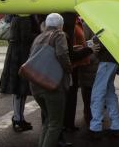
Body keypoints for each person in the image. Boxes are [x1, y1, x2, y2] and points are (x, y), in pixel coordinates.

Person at [29, 13, 72, 147]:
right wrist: (69, 69)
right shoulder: (59, 35)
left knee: (48, 121)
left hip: (36, 85)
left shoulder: (38, 37)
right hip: (52, 85)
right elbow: (62, 54)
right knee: (55, 124)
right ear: (61, 25)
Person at [0, 14, 40, 132]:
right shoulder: (24, 17)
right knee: (19, 90)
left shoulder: (15, 16)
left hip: (15, 54)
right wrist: (41, 34)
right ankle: (18, 118)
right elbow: (26, 37)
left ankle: (19, 117)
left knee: (19, 90)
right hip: (21, 55)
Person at [89, 34, 119, 139]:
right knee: (109, 94)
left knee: (97, 94)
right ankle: (117, 126)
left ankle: (96, 127)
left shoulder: (106, 25)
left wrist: (93, 39)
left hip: (106, 61)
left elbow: (99, 39)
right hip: (113, 61)